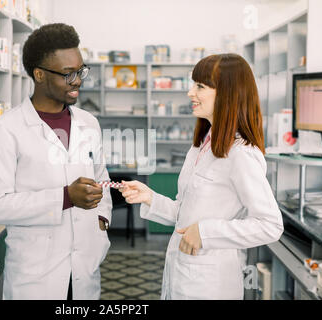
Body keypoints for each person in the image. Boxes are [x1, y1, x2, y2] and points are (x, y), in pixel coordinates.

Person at [120, 53, 284, 300]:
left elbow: (270, 225)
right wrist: (150, 198)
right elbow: (186, 215)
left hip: (211, 284)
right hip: (184, 275)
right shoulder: (202, 145)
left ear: (227, 93)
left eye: (200, 86)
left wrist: (206, 233)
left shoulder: (241, 154)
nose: (190, 93)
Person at [0, 23, 112, 300]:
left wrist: (102, 224)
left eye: (80, 70)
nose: (77, 80)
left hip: (84, 268)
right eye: (68, 74)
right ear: (39, 74)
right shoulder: (5, 130)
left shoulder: (89, 123)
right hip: (35, 276)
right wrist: (65, 197)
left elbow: (102, 178)